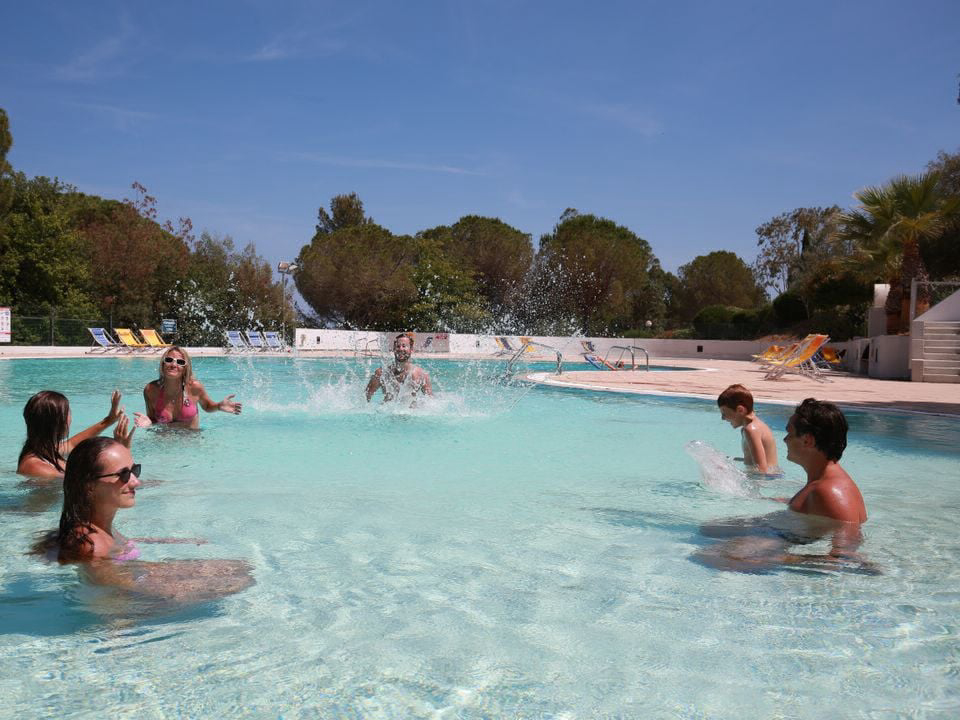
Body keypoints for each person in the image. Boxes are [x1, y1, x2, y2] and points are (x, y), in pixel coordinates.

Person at [33, 436, 253, 603]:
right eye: (124, 474)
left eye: (134, 470)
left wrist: (159, 541)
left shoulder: (97, 527)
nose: (136, 482)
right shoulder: (92, 545)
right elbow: (129, 592)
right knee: (241, 579)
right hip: (124, 620)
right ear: (89, 486)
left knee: (241, 567)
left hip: (136, 580)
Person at [695, 399, 871, 573]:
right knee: (708, 528)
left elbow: (843, 557)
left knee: (710, 556)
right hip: (783, 530)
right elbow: (820, 511)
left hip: (783, 537)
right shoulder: (825, 482)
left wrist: (781, 559)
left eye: (790, 433)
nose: (785, 440)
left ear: (807, 440)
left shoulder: (831, 491)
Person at [17, 390, 134, 479]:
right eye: (68, 413)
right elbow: (87, 482)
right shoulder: (36, 466)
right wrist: (123, 449)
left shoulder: (43, 451)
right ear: (55, 423)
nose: (71, 418)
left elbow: (72, 444)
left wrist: (109, 420)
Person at [135, 346, 242, 429]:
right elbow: (153, 418)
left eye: (180, 362)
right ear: (162, 364)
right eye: (169, 360)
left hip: (191, 443)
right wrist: (149, 422)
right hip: (164, 443)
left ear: (186, 368)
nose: (173, 364)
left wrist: (218, 406)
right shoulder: (151, 390)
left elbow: (207, 406)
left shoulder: (194, 387)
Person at [717, 384, 779, 474]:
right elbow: (752, 461)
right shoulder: (752, 427)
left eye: (724, 413)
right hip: (771, 477)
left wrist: (728, 472)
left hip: (768, 480)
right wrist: (729, 460)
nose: (722, 418)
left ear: (740, 410)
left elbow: (761, 470)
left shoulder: (751, 430)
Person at [365, 333, 433, 403]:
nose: (400, 349)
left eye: (404, 346)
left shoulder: (421, 375)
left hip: (411, 412)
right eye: (398, 346)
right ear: (394, 349)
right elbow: (366, 397)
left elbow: (431, 402)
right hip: (388, 412)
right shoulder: (382, 373)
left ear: (411, 349)